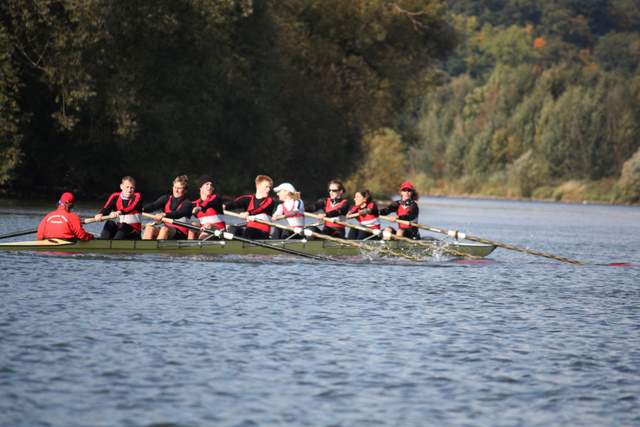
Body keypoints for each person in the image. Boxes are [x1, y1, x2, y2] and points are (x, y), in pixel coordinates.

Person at [224, 175, 275, 239]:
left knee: (249, 231)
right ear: (258, 186)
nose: (269, 189)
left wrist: (248, 213)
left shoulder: (270, 201)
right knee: (232, 229)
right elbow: (234, 203)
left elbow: (260, 208)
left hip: (263, 232)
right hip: (249, 230)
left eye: (270, 187)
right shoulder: (248, 198)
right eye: (266, 187)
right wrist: (224, 206)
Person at [142, 175, 193, 240]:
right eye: (175, 187)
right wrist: (141, 209)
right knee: (149, 228)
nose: (176, 190)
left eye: (179, 188)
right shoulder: (166, 198)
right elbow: (153, 206)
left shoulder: (188, 203)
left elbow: (179, 213)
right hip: (167, 230)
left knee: (164, 229)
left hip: (180, 234)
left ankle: (158, 246)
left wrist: (164, 214)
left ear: (185, 190)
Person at [188, 175, 225, 240]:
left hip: (219, 231)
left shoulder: (216, 199)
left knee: (208, 225)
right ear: (200, 187)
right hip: (204, 229)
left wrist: (200, 208)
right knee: (193, 225)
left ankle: (200, 242)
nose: (210, 186)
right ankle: (189, 244)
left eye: (211, 185)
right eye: (207, 184)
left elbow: (208, 203)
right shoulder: (195, 204)